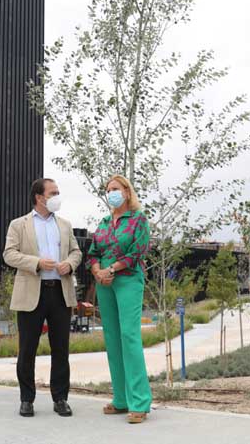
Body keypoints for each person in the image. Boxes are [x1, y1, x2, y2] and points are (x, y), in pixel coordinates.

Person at [3, 178, 82, 417]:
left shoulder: (65, 225)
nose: (58, 195)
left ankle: (61, 399)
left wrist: (69, 264)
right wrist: (36, 263)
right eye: (53, 192)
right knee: (27, 349)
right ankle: (27, 399)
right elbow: (9, 254)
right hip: (31, 293)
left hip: (60, 293)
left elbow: (76, 252)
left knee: (61, 350)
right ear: (39, 197)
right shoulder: (19, 225)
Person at [87, 175, 152, 424]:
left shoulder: (138, 220)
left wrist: (112, 269)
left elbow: (138, 252)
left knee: (129, 337)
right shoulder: (103, 223)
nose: (110, 193)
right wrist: (97, 271)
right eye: (107, 190)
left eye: (114, 188)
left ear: (126, 191)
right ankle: (121, 400)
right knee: (112, 339)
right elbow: (93, 252)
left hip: (127, 280)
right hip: (104, 283)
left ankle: (140, 402)